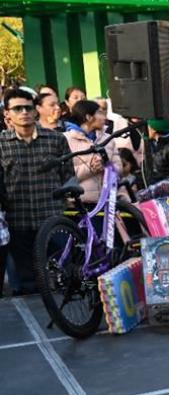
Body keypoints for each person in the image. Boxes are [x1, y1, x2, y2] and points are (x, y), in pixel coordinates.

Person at [0, 88, 73, 294]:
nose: (24, 112)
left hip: (52, 220)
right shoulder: (2, 144)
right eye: (17, 108)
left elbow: (68, 175)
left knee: (63, 283)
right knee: (25, 288)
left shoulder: (56, 140)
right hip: (17, 222)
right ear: (7, 114)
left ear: (35, 111)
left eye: (28, 108)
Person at [64, 99, 120, 205]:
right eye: (100, 113)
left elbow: (119, 168)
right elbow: (64, 174)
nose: (104, 117)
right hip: (78, 203)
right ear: (88, 117)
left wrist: (106, 166)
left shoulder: (108, 139)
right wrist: (90, 168)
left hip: (107, 203)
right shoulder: (66, 140)